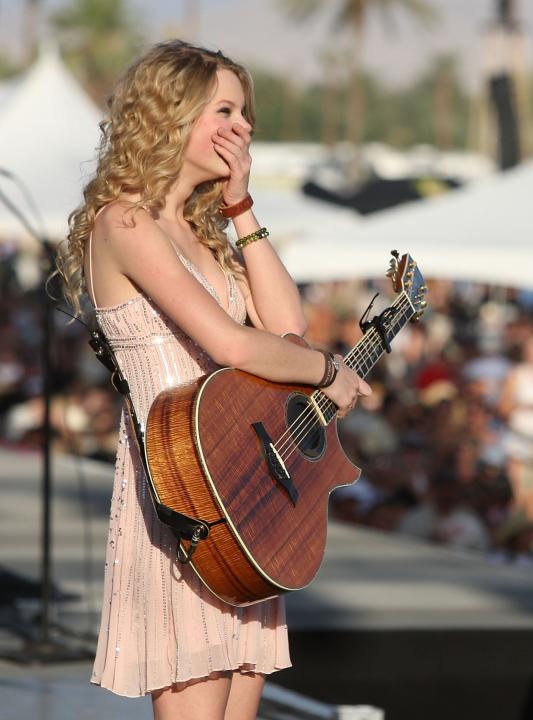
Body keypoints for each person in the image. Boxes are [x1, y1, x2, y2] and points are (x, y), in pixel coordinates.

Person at [55, 41, 370, 719]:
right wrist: (329, 372)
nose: (245, 126)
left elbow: (285, 333)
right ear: (172, 114)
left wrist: (242, 207)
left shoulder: (205, 232)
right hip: (183, 495)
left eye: (245, 111)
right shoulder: (126, 221)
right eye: (225, 109)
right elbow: (230, 344)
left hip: (245, 495)